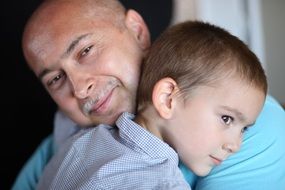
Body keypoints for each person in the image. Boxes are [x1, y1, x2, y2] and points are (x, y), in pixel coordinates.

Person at [12, 0, 285, 189]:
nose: (80, 88)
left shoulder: (249, 123)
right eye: (56, 79)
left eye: (86, 51)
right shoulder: (63, 143)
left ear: (138, 31)